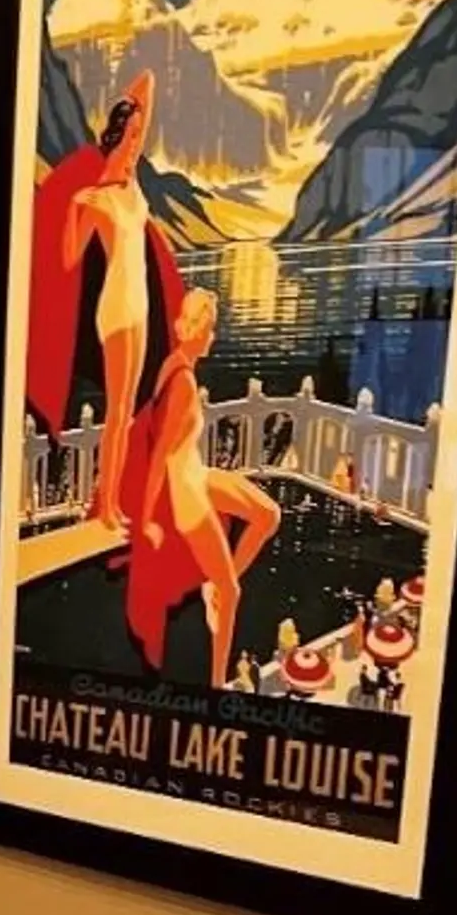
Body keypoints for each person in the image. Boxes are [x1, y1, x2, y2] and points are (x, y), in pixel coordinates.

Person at [26, 74, 187, 529]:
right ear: (116, 137)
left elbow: (147, 85)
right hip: (114, 308)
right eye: (131, 135)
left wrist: (133, 109)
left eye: (140, 135)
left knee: (131, 408)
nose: (138, 143)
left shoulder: (132, 190)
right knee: (117, 411)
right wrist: (69, 210)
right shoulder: (93, 199)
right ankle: (104, 503)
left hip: (139, 306)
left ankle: (108, 499)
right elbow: (67, 259)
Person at [123, 285, 282, 684]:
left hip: (198, 474)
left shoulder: (177, 367)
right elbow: (159, 454)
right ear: (192, 329)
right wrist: (145, 520)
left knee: (268, 515)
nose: (213, 336)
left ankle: (215, 585)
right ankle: (216, 685)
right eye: (210, 328)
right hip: (187, 494)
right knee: (233, 594)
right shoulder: (182, 384)